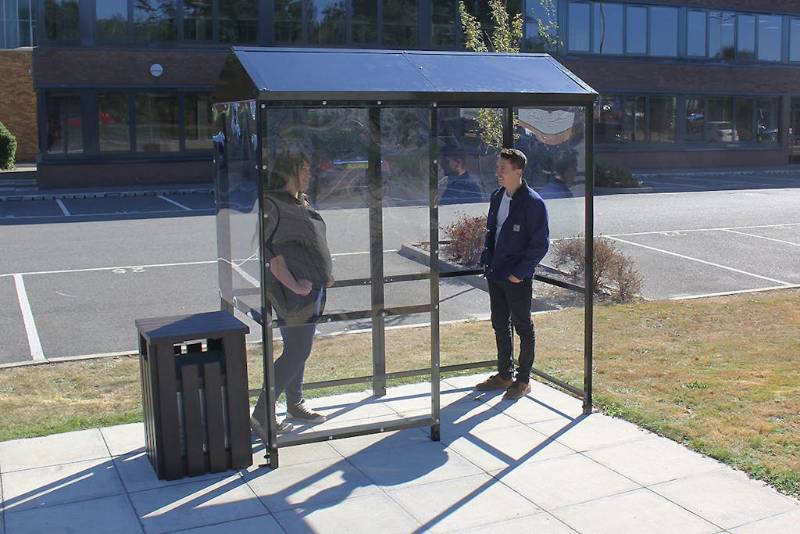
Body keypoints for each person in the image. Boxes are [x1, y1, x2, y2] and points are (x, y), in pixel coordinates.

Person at [252, 149, 335, 435]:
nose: (310, 173)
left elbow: (309, 243)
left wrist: (325, 273)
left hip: (310, 290)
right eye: (305, 169)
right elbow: (271, 254)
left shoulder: (299, 201)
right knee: (298, 350)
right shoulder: (273, 205)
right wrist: (294, 285)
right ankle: (262, 413)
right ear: (290, 171)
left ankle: (295, 403)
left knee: (297, 350)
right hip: (291, 292)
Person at [476, 148, 550, 400]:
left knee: (522, 326)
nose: (498, 173)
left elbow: (540, 244)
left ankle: (523, 379)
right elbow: (492, 233)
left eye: (503, 169)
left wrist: (519, 273)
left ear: (518, 172)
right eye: (498, 167)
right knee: (499, 324)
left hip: (516, 278)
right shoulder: (497, 196)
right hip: (496, 273)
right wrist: (487, 261)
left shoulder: (533, 203)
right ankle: (504, 374)